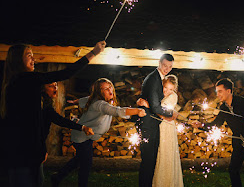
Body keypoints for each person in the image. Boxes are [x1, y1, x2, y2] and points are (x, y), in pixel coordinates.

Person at [0, 41, 105, 187]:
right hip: (21, 155)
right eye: (29, 55)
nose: (33, 59)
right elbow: (66, 73)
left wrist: (41, 150)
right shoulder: (24, 80)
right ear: (18, 60)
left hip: (28, 153)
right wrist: (93, 53)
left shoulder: (20, 84)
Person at [51, 78, 146, 187]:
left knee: (79, 160)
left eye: (110, 86)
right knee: (86, 164)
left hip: (87, 136)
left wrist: (76, 101)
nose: (109, 90)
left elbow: (86, 99)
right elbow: (117, 111)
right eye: (105, 89)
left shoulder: (95, 99)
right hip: (82, 137)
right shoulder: (101, 104)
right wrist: (137, 111)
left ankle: (57, 177)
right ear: (99, 92)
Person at [192, 78, 244, 187]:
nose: (217, 94)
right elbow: (215, 124)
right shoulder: (223, 108)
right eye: (216, 91)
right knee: (233, 170)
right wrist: (201, 125)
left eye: (220, 91)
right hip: (239, 142)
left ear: (228, 91)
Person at [134, 53, 178, 187]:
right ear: (159, 62)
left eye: (170, 67)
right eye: (164, 65)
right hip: (148, 125)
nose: (166, 69)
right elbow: (155, 107)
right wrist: (171, 113)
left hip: (152, 124)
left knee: (151, 160)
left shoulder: (160, 78)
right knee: (148, 161)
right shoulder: (154, 79)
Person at [40, 82, 94, 185]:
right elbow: (59, 120)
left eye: (56, 85)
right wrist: (82, 127)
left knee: (82, 158)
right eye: (51, 86)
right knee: (36, 177)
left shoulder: (47, 102)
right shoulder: (43, 105)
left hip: (39, 143)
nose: (55, 88)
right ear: (43, 89)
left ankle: (57, 177)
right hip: (34, 144)